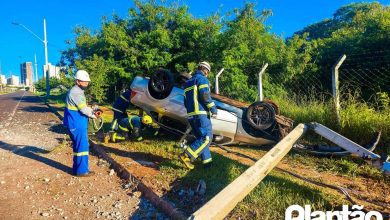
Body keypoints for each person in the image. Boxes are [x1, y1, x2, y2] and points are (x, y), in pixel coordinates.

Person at [180, 61, 217, 169]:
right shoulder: (202, 79)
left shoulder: (188, 82)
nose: (207, 74)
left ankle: (207, 163)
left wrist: (191, 112)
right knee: (207, 138)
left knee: (201, 138)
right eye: (208, 72)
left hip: (191, 115)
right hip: (201, 114)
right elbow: (205, 95)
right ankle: (186, 155)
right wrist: (213, 108)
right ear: (205, 70)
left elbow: (185, 101)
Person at [63, 70, 97, 177]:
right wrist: (93, 114)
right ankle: (82, 171)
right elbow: (83, 109)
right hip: (76, 124)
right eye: (84, 81)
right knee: (82, 147)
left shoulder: (77, 91)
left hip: (75, 123)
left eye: (87, 81)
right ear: (78, 81)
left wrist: (90, 109)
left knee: (78, 147)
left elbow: (81, 106)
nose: (86, 83)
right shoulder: (76, 92)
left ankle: (76, 169)